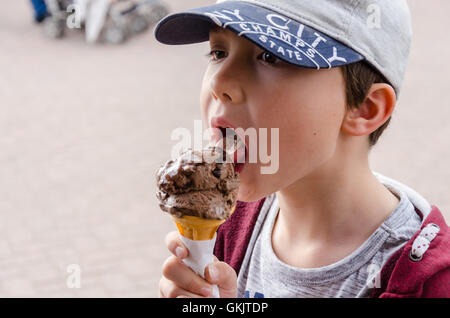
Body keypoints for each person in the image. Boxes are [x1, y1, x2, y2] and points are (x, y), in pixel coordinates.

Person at [155, 0, 450, 298]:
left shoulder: (426, 285)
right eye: (218, 52)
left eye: (269, 55)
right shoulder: (229, 223)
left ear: (365, 108)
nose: (219, 82)